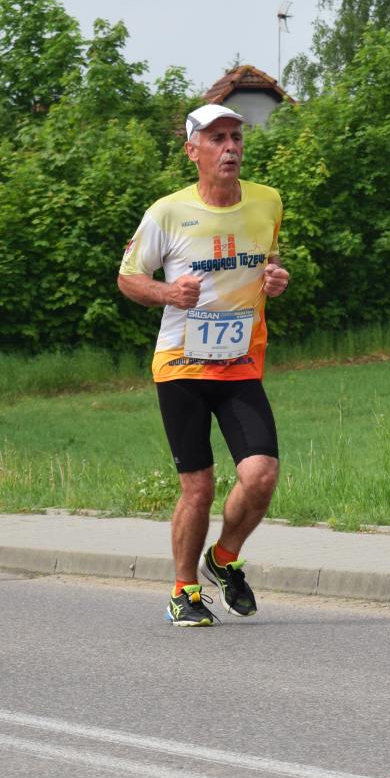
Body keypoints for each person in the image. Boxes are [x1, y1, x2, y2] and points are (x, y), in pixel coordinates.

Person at [118, 103, 291, 626]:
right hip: (182, 367)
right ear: (192, 150)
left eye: (236, 137)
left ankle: (223, 557)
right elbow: (128, 278)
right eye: (217, 139)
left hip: (240, 363)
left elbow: (268, 260)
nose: (231, 147)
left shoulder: (268, 201)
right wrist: (168, 292)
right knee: (198, 487)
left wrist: (276, 278)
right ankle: (184, 591)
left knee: (261, 475)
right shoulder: (167, 213)